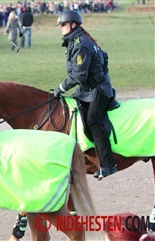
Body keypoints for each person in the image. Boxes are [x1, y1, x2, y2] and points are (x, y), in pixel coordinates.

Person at [53, 10, 119, 178]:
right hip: (88, 90)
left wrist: (60, 88)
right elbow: (105, 56)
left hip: (98, 91)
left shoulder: (81, 44)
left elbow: (79, 75)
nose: (60, 27)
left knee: (93, 121)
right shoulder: (77, 40)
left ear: (73, 24)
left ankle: (108, 165)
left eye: (63, 24)